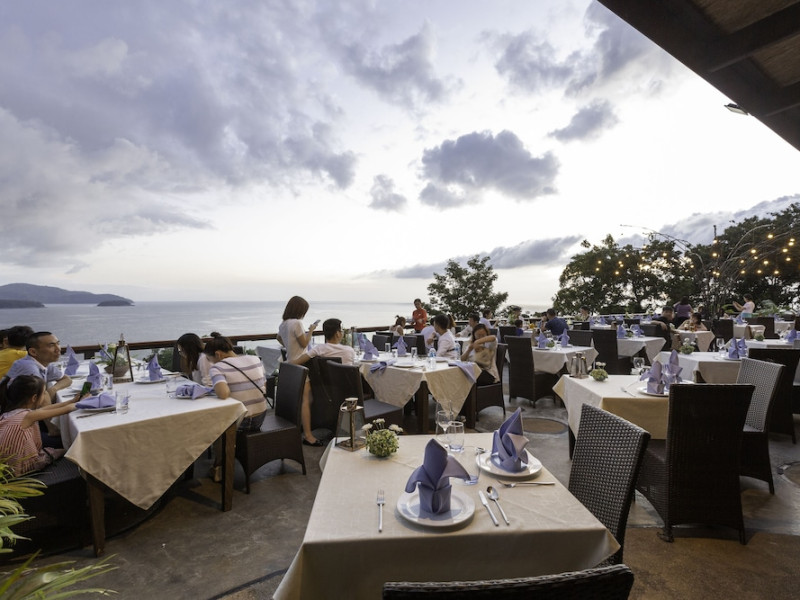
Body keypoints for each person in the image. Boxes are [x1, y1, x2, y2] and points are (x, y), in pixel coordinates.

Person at [203, 333, 269, 479]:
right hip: (261, 415)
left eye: (209, 359)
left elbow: (223, 394)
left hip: (242, 421)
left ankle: (219, 466)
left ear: (218, 354)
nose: (210, 363)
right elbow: (264, 384)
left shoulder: (218, 367)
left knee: (215, 427)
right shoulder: (255, 359)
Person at [0, 375, 85, 476]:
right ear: (34, 398)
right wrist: (83, 402)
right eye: (44, 393)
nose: (45, 395)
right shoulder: (28, 416)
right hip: (21, 468)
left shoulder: (10, 414)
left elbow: (45, 409)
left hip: (6, 467)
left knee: (62, 448)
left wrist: (72, 401)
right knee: (69, 449)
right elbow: (67, 410)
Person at [4, 332, 72, 402]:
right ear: (33, 352)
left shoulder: (43, 362)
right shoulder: (28, 367)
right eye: (51, 345)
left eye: (58, 344)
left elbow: (67, 379)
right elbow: (39, 403)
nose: (58, 349)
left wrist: (53, 389)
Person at [277, 296, 318, 363]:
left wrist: (289, 347)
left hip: (289, 360)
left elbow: (278, 338)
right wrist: (311, 330)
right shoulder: (297, 323)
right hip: (300, 361)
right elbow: (304, 344)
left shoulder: (283, 323)